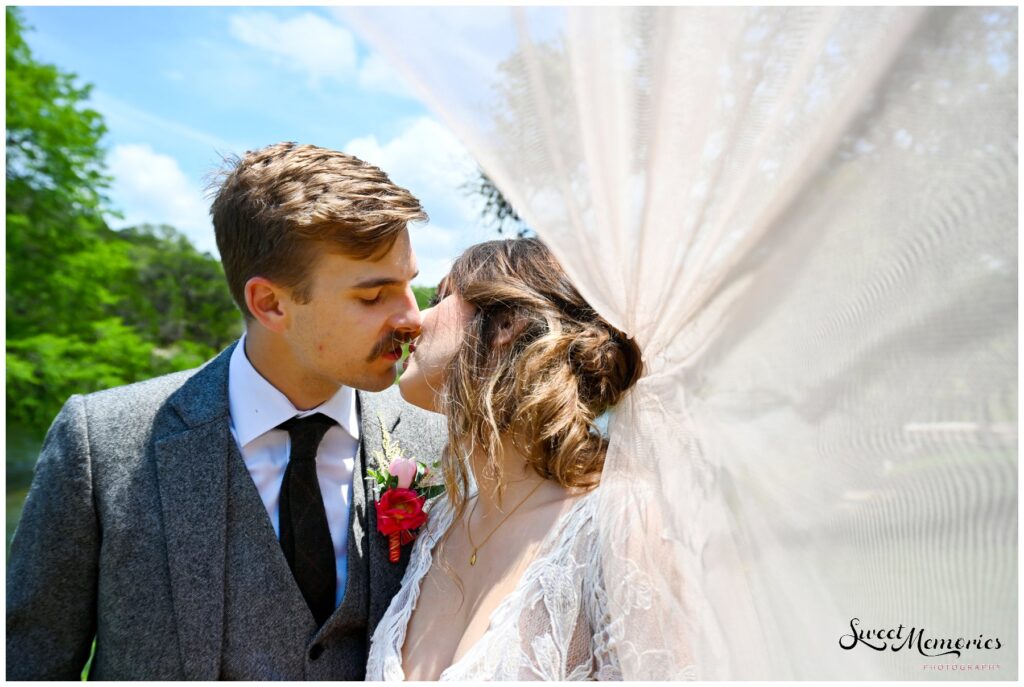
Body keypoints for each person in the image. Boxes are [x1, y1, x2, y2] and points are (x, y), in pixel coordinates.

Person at [6, 142, 446, 680]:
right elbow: (28, 663)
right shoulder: (100, 445)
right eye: (374, 296)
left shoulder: (439, 445)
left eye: (410, 284)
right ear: (271, 304)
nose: (413, 318)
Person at [366, 237, 644, 680]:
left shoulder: (615, 533)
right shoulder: (438, 525)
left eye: (441, 298)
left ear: (506, 323)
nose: (415, 318)